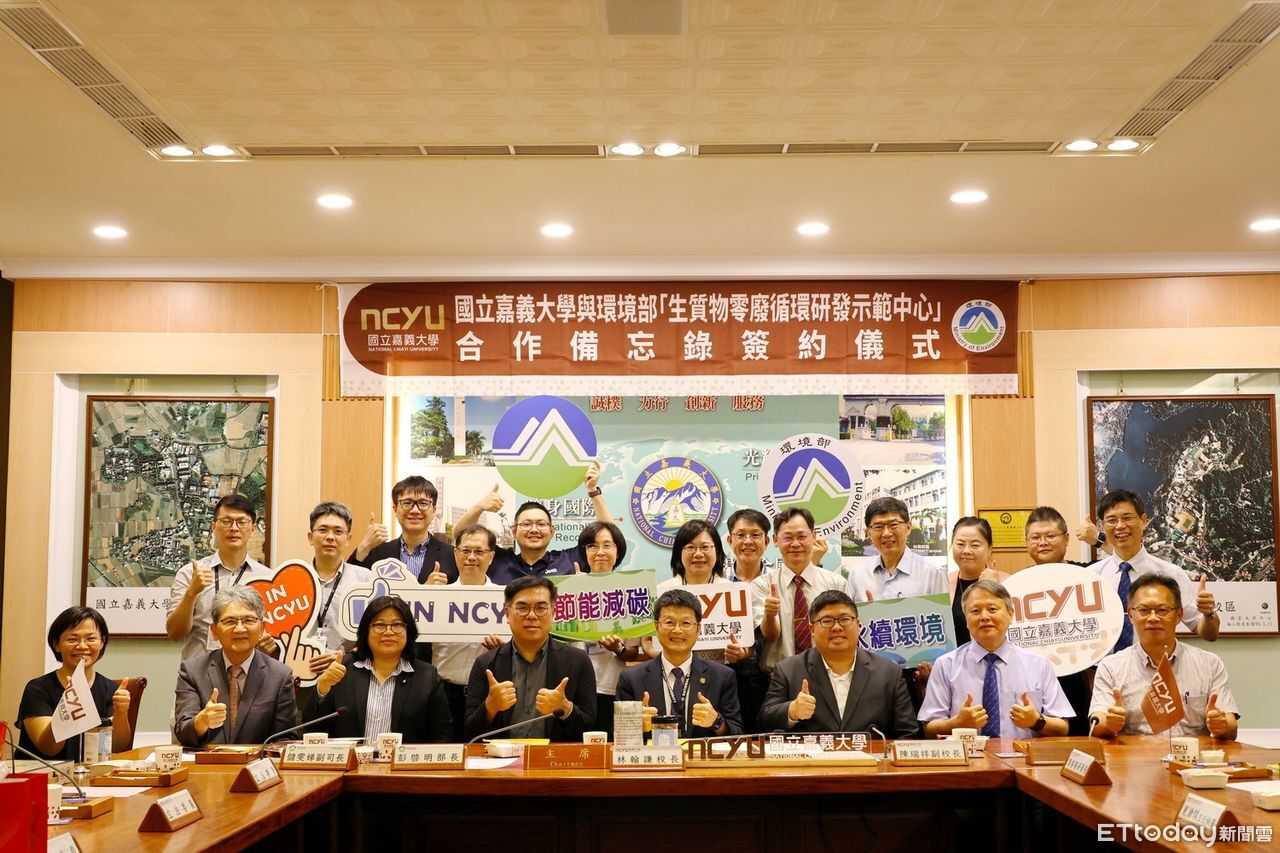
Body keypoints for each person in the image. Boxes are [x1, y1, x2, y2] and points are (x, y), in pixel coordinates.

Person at [1089, 574, 1238, 740]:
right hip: (1133, 755)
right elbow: (1097, 723)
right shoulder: (1111, 666)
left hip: (1191, 755)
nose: (1153, 618)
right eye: (1144, 610)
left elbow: (1231, 728)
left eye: (1162, 610)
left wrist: (1221, 725)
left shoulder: (1209, 664)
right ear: (1131, 615)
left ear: (1179, 615)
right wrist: (1109, 724)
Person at [919, 580, 1074, 739]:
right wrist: (957, 723)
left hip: (1022, 753)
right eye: (975, 611)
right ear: (966, 619)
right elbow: (929, 729)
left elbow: (1063, 728)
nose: (984, 617)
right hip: (968, 753)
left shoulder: (1038, 664)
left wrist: (1036, 721)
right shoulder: (946, 664)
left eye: (992, 609)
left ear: (1010, 614)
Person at [758, 590, 918, 736]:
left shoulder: (889, 673)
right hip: (813, 758)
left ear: (858, 625)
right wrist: (791, 711)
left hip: (872, 758)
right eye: (826, 621)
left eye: (845, 619)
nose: (836, 627)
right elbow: (763, 721)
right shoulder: (788, 670)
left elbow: (908, 733)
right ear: (812, 629)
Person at [302, 594, 452, 743]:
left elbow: (441, 735)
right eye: (379, 625)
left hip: (402, 759)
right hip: (351, 758)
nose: (388, 632)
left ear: (409, 631)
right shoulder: (342, 670)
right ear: (366, 631)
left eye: (397, 625)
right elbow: (312, 728)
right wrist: (323, 687)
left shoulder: (427, 677)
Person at [464, 576, 596, 740]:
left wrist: (566, 709)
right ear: (507, 613)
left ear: (554, 613)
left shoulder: (578, 661)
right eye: (522, 608)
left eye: (541, 608)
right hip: (501, 755)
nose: (532, 616)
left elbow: (590, 728)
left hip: (554, 755)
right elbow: (469, 733)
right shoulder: (485, 664)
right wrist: (490, 707)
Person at [174, 586, 298, 746]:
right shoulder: (192, 671)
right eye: (230, 621)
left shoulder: (280, 675)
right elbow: (183, 732)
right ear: (214, 631)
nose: (240, 628)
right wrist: (201, 722)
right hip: (208, 761)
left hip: (258, 761)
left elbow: (285, 739)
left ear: (262, 628)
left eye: (248, 620)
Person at [1092, 489, 1218, 646]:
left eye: (1127, 518)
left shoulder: (1171, 574)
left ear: (1143, 520)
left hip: (1156, 661)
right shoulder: (1092, 576)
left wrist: (1208, 614)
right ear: (1103, 526)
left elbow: (1209, 634)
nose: (1120, 526)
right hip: (1103, 662)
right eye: (1111, 520)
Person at [455, 461, 611, 585]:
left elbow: (609, 534)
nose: (534, 529)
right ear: (514, 531)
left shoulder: (569, 559)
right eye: (526, 524)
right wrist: (479, 507)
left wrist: (592, 491)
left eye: (541, 524)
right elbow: (460, 536)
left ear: (552, 531)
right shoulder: (498, 560)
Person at [616, 589, 743, 738]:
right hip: (654, 753)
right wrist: (636, 725)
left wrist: (716, 721)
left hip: (701, 753)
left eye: (686, 623)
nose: (677, 630)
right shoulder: (631, 679)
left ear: (698, 628)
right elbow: (617, 735)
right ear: (656, 627)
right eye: (669, 622)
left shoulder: (722, 676)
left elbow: (737, 734)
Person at [166, 493, 274, 661]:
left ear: (253, 528)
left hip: (249, 673)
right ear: (214, 526)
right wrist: (192, 593)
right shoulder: (190, 574)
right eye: (226, 521)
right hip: (198, 672)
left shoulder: (267, 578)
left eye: (242, 522)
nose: (234, 528)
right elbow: (175, 633)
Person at [17, 607, 132, 760]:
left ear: (102, 642)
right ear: (56, 644)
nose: (82, 646)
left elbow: (116, 746)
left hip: (90, 773)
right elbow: (49, 748)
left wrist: (121, 712)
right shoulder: (37, 689)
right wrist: (68, 705)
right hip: (44, 773)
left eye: (91, 639)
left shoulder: (110, 689)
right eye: (72, 639)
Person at [1023, 505, 1099, 735]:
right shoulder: (1018, 585)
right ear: (1027, 542)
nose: (1043, 542)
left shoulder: (1090, 575)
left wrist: (1098, 540)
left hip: (1080, 676)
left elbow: (1122, 561)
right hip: (1033, 679)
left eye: (1050, 536)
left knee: (1079, 739)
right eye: (1035, 537)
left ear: (1066, 539)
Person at [573, 521, 648, 737]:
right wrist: (573, 589)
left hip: (611, 686)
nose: (600, 552)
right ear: (584, 552)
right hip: (575, 687)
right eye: (592, 546)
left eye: (607, 545)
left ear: (618, 551)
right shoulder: (567, 587)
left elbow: (632, 652)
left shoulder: (632, 591)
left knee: (610, 746)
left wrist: (619, 649)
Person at [750, 508, 847, 674]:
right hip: (777, 678)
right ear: (775, 540)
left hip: (827, 675)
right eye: (787, 537)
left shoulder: (836, 584)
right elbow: (770, 636)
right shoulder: (762, 585)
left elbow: (844, 632)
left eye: (802, 536)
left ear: (813, 536)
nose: (795, 544)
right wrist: (770, 614)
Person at [432, 524, 504, 742]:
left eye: (479, 551)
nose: (472, 557)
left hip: (489, 696)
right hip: (444, 694)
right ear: (456, 554)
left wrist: (501, 651)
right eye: (466, 550)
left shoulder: (507, 598)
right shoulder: (435, 597)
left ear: (491, 557)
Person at [301, 501, 373, 676]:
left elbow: (374, 633)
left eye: (338, 531)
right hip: (300, 671)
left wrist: (344, 657)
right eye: (323, 530)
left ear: (348, 539)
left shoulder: (366, 581)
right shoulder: (294, 579)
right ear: (310, 537)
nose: (330, 537)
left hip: (350, 672)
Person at [350, 475, 457, 584]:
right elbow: (347, 585)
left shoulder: (451, 555)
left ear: (434, 510)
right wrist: (364, 546)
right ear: (395, 509)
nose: (415, 510)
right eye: (407, 503)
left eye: (423, 503)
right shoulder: (378, 553)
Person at [724, 508, 773, 731]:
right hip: (727, 676)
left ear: (767, 541)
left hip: (772, 677)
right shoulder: (717, 582)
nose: (748, 541)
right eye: (741, 535)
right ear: (729, 540)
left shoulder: (779, 580)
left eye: (755, 535)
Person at [846, 496, 947, 603]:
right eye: (878, 527)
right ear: (869, 533)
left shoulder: (933, 573)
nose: (886, 533)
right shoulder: (857, 574)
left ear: (908, 527)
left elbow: (942, 613)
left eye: (893, 525)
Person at [947, 517, 1007, 647]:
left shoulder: (1007, 582)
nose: (966, 551)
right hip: (953, 659)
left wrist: (992, 589)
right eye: (960, 544)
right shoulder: (943, 583)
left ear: (989, 549)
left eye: (975, 545)